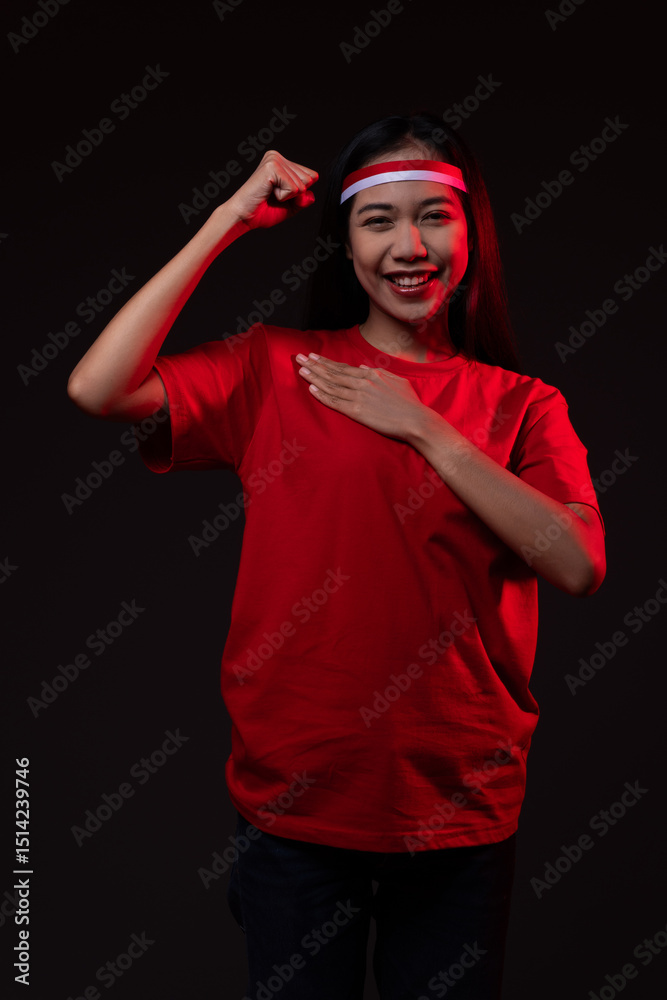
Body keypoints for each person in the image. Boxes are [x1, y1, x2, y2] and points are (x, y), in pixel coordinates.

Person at [67, 112, 606, 1000]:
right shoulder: (278, 368)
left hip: (459, 812)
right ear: (345, 247)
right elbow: (99, 386)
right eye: (377, 220)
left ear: (470, 232)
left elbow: (577, 562)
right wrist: (228, 219)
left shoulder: (522, 405)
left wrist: (425, 428)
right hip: (294, 809)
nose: (409, 244)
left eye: (433, 214)